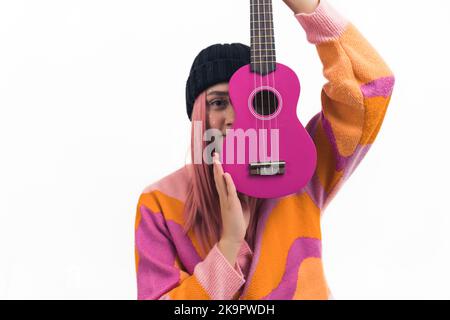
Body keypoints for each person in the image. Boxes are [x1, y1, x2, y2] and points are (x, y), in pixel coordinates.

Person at [134, 0, 396, 300]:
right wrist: (229, 243)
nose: (233, 118)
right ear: (198, 113)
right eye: (219, 102)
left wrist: (309, 8)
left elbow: (373, 85)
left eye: (246, 102)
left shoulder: (302, 166)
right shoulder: (159, 204)